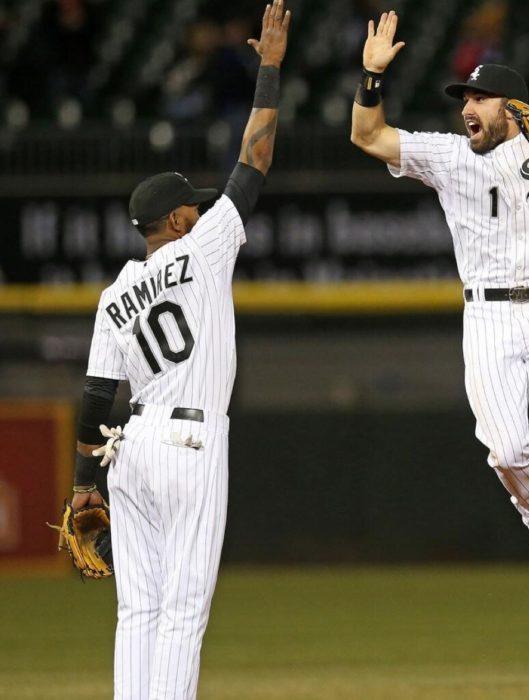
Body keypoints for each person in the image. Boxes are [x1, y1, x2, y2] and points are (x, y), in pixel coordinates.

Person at [350, 10, 529, 586]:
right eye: (464, 98)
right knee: (505, 448)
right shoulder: (447, 156)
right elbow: (367, 135)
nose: (467, 108)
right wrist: (371, 77)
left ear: (514, 107)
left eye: (481, 97)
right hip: (488, 315)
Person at [68, 1, 290, 697]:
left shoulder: (113, 296)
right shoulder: (204, 246)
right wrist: (272, 68)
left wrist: (82, 486)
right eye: (190, 205)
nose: (200, 208)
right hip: (192, 443)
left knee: (139, 608)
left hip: (129, 450)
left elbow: (97, 401)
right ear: (173, 221)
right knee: (183, 612)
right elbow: (254, 159)